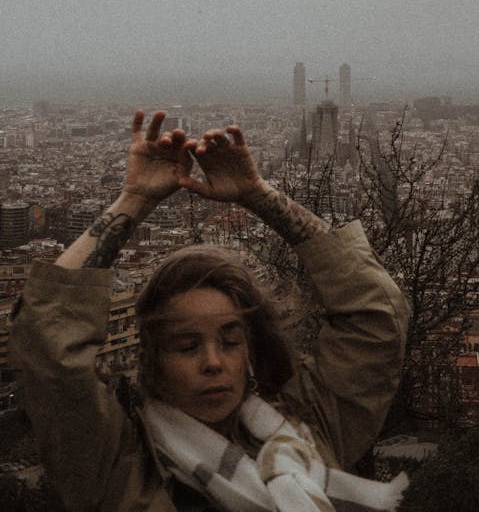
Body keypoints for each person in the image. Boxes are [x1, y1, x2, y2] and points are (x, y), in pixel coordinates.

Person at [9, 110, 410, 511]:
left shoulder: (306, 426)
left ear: (251, 350)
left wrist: (258, 193)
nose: (213, 362)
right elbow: (48, 346)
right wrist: (135, 198)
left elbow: (377, 317)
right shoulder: (121, 466)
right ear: (153, 360)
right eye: (186, 346)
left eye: (231, 341)